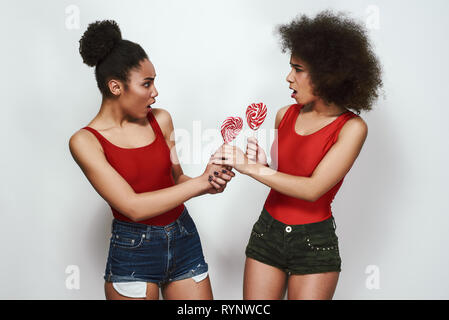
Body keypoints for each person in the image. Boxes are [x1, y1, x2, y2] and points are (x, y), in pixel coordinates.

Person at [211, 10, 382, 300]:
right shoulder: (284, 115)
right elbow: (287, 179)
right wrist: (262, 165)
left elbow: (312, 189)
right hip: (268, 232)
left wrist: (250, 168)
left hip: (314, 243)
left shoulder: (352, 128)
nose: (288, 77)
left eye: (298, 69)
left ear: (329, 74)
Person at [69, 20, 234, 300]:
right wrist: (200, 185)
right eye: (147, 83)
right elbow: (132, 207)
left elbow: (177, 179)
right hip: (133, 252)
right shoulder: (85, 141)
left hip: (184, 239)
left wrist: (208, 179)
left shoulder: (161, 120)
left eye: (154, 81)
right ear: (116, 87)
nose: (155, 92)